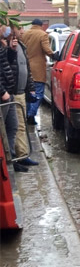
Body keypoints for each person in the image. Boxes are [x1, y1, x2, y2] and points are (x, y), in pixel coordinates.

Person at [8, 23, 38, 166]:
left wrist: (30, 88)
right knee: (17, 125)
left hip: (21, 92)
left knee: (20, 125)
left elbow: (27, 70)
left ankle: (21, 154)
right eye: (20, 28)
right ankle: (20, 155)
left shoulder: (22, 46)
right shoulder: (9, 47)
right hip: (13, 93)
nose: (23, 31)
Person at [0, 24, 25, 173]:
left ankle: (11, 161)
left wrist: (10, 49)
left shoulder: (2, 45)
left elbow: (6, 64)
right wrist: (2, 91)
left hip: (8, 92)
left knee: (12, 126)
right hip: (4, 94)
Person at [20, 19, 54, 125]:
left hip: (25, 67)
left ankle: (27, 115)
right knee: (39, 92)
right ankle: (31, 114)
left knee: (29, 93)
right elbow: (47, 50)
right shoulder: (42, 34)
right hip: (38, 69)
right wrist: (54, 55)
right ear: (41, 25)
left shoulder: (25, 34)